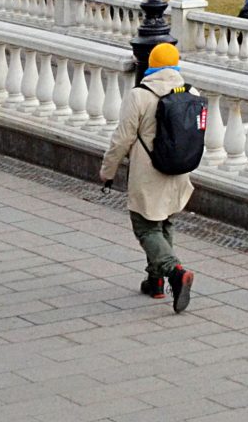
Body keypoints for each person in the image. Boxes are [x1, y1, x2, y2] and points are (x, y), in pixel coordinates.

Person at [99, 40, 202, 312]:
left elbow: (122, 140)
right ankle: (155, 282)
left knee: (145, 226)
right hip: (178, 170)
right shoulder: (190, 91)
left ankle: (175, 272)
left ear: (151, 65)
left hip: (149, 173)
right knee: (165, 221)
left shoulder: (140, 95)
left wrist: (107, 172)